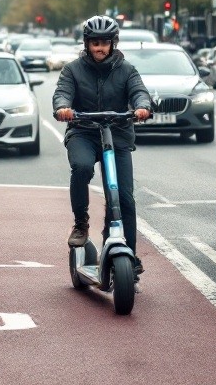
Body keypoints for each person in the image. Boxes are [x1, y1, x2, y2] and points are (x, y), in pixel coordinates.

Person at [52, 15, 151, 285]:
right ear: (87, 44)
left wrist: (142, 107)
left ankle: (127, 252)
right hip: (83, 131)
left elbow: (139, 92)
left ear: (112, 43)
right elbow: (62, 93)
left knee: (123, 197)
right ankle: (81, 223)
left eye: (104, 43)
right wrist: (63, 108)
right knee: (82, 167)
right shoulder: (72, 70)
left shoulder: (126, 70)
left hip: (116, 134)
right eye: (94, 43)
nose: (99, 48)